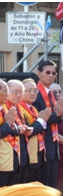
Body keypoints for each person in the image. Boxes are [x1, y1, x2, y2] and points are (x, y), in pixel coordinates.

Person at [33, 60, 63, 188]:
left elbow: (57, 118)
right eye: (48, 72)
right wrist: (56, 114)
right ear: (39, 73)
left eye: (54, 73)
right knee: (43, 184)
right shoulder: (35, 93)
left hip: (53, 145)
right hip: (42, 145)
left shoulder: (52, 93)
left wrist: (59, 115)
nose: (51, 75)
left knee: (52, 184)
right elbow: (40, 118)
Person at [20, 78, 51, 183]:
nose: (33, 93)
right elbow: (28, 130)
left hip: (38, 154)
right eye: (29, 90)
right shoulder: (19, 108)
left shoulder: (34, 108)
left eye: (35, 90)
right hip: (28, 156)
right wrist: (41, 120)